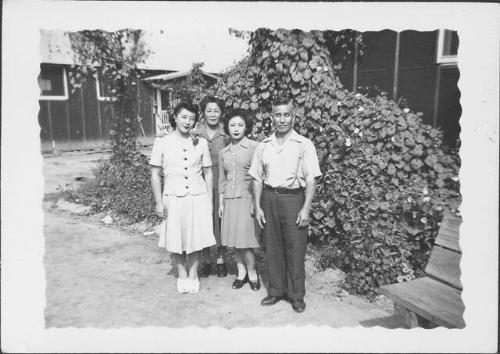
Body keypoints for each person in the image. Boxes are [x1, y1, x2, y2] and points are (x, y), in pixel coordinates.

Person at [248, 97, 322, 313]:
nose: (282, 119)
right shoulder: (264, 145)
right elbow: (257, 178)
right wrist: (258, 205)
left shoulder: (304, 144)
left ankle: (296, 295)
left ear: (293, 116)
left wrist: (306, 207)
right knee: (272, 246)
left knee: (295, 247)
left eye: (286, 114)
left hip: (293, 199)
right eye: (277, 115)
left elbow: (311, 179)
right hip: (269, 198)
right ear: (272, 117)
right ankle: (276, 291)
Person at [150, 101, 216, 294]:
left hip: (197, 197)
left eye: (192, 118)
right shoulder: (162, 142)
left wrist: (210, 201)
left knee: (195, 237)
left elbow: (208, 173)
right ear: (175, 117)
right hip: (173, 197)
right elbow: (155, 174)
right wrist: (159, 202)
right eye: (184, 117)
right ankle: (182, 273)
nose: (187, 122)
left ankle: (193, 273)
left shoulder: (200, 142)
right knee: (176, 237)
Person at [218, 109, 261, 290]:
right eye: (232, 125)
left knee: (246, 241)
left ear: (246, 127)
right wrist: (221, 203)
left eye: (240, 125)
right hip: (229, 200)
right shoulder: (223, 152)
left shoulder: (254, 147)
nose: (236, 129)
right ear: (227, 128)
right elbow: (222, 179)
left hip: (247, 199)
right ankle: (241, 273)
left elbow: (259, 177)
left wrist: (256, 203)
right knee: (234, 241)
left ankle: (252, 273)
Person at [192, 96, 230, 278]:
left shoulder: (226, 135)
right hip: (200, 183)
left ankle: (221, 259)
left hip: (221, 183)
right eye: (209, 111)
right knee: (204, 220)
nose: (213, 114)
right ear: (203, 113)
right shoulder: (195, 134)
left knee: (220, 221)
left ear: (221, 113)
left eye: (216, 111)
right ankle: (206, 259)